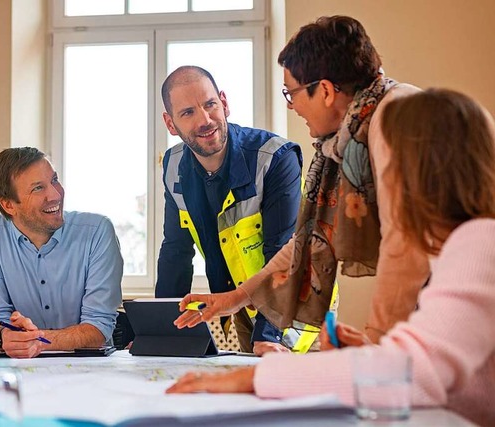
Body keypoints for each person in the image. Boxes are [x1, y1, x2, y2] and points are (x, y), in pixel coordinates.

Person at [167, 88, 495, 426]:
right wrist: (369, 355)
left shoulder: (481, 245)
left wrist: (253, 379)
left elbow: (415, 374)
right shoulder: (457, 246)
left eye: (379, 168)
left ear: (421, 173)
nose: (366, 186)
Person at [174, 15, 430, 349]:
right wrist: (235, 298)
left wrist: (378, 343)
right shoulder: (352, 138)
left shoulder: (395, 119)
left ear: (324, 90)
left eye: (291, 93)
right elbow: (306, 242)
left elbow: (408, 250)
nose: (291, 106)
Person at [156, 66, 305, 354]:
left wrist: (269, 336)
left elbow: (283, 253)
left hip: (297, 309)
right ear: (170, 123)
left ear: (224, 103)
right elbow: (176, 251)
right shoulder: (173, 166)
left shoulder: (274, 157)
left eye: (210, 105)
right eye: (187, 112)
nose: (205, 120)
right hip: (241, 309)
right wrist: (161, 333)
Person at [0, 147, 123, 358]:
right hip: (20, 369)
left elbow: (97, 328)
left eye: (55, 180)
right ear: (8, 205)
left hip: (87, 369)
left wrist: (34, 340)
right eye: (38, 188)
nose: (56, 194)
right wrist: (3, 338)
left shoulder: (97, 231)